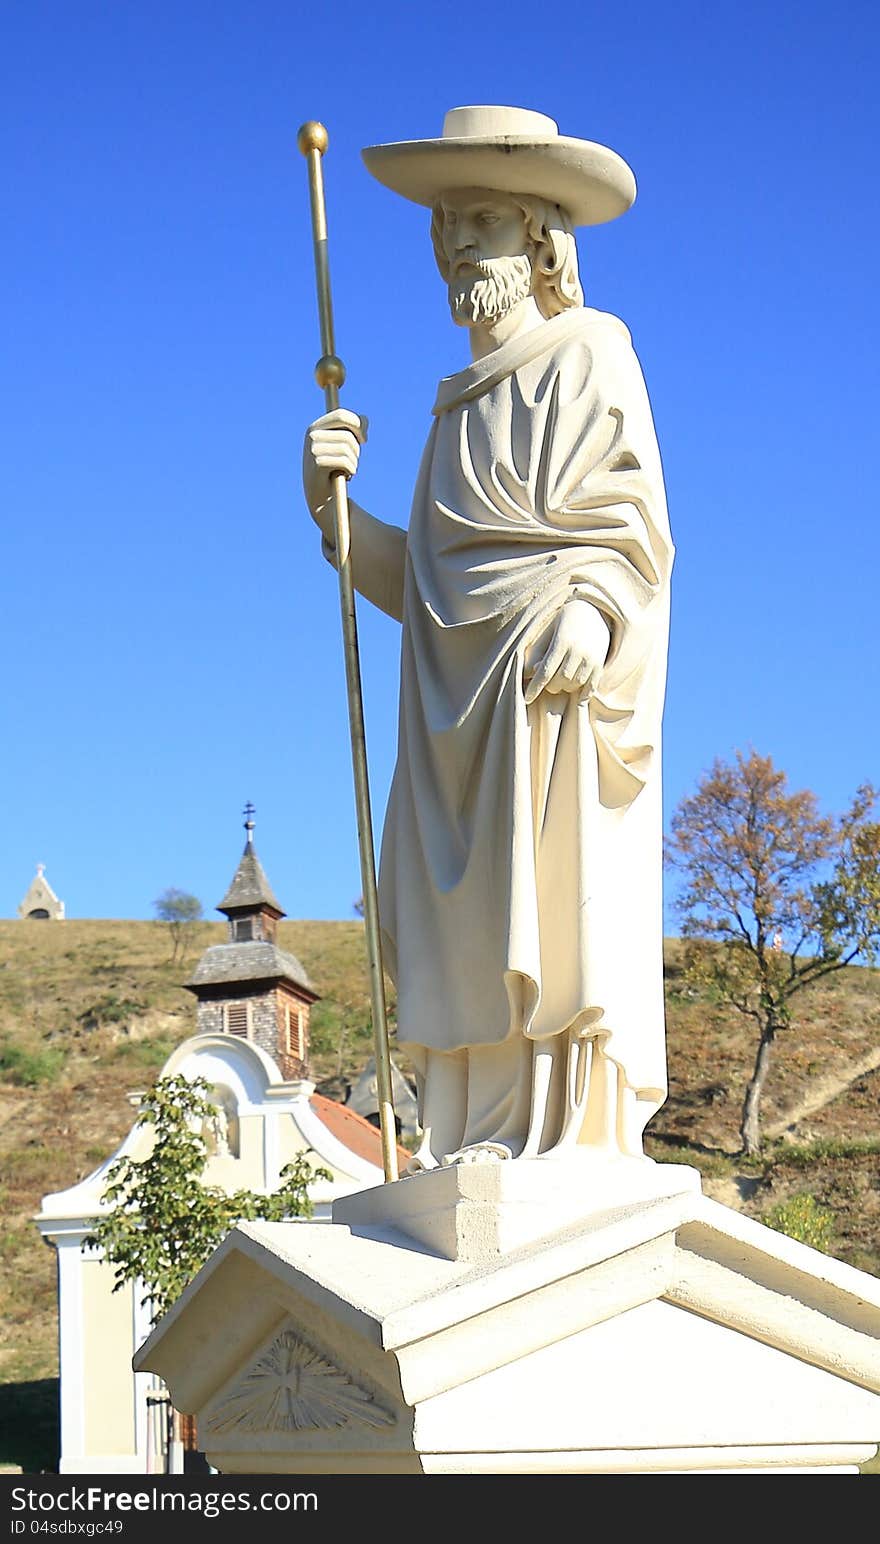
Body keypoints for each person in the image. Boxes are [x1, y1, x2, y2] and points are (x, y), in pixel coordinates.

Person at [303, 107, 674, 1170]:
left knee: (550, 911)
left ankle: (563, 1132)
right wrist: (333, 513)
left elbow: (633, 530)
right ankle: (468, 1126)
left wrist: (593, 606)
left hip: (543, 696)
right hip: (452, 728)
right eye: (447, 224)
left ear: (542, 239)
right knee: (452, 921)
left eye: (484, 221)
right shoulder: (451, 413)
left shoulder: (588, 354)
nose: (458, 243)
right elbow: (425, 592)